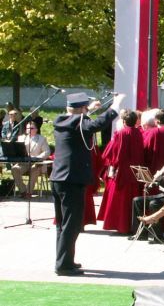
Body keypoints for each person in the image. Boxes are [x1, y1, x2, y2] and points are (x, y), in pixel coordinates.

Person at [50, 92, 123, 276]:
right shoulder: (78, 124)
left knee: (63, 224)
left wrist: (88, 110)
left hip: (60, 179)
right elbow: (95, 125)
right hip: (71, 180)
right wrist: (115, 106)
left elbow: (81, 121)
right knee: (72, 224)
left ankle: (64, 260)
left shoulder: (61, 120)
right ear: (81, 110)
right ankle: (63, 265)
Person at [97, 109, 144, 234]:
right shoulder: (139, 133)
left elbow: (116, 153)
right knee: (131, 198)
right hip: (134, 170)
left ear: (123, 121)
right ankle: (130, 225)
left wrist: (113, 165)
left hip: (122, 170)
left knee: (120, 199)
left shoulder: (121, 133)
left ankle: (121, 225)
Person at [11, 121, 51, 198]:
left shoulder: (41, 139)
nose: (29, 130)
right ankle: (23, 191)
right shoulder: (21, 138)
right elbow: (17, 150)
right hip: (24, 163)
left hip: (37, 164)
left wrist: (37, 158)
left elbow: (47, 152)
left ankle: (29, 193)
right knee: (14, 169)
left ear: (36, 129)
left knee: (34, 169)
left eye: (31, 128)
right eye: (28, 128)